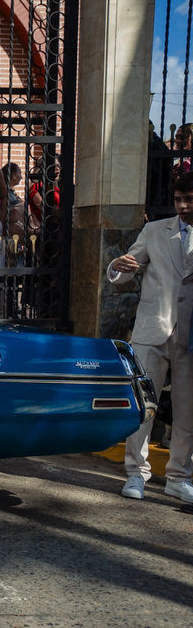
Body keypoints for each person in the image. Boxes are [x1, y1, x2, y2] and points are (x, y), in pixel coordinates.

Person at [107, 171, 193, 502]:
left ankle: (178, 477)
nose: (183, 206)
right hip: (151, 330)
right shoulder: (155, 231)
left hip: (190, 337)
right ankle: (136, 474)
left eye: (189, 200)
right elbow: (122, 270)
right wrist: (118, 265)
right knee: (144, 407)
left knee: (187, 411)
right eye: (178, 200)